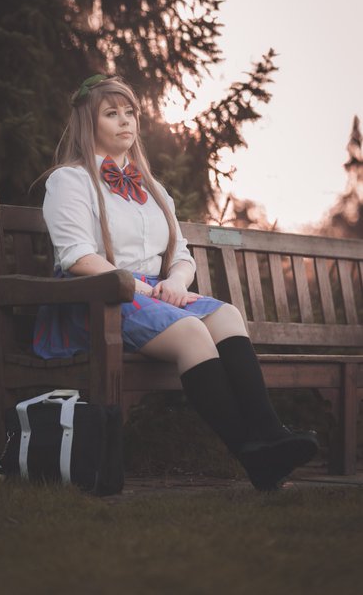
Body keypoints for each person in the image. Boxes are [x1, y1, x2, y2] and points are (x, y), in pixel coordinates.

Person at [33, 74, 318, 491]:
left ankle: (270, 433)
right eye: (111, 113)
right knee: (191, 332)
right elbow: (77, 256)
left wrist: (178, 283)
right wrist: (138, 287)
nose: (125, 121)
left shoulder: (153, 189)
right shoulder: (69, 181)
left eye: (130, 112)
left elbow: (180, 255)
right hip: (100, 295)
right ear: (87, 123)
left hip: (153, 294)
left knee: (226, 315)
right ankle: (250, 455)